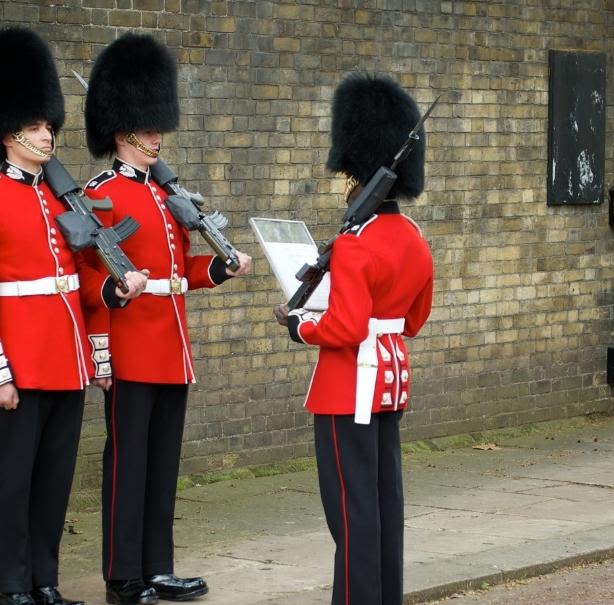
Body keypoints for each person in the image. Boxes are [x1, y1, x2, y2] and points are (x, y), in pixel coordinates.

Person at [78, 32, 253, 605]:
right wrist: (102, 353)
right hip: (131, 350)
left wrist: (223, 269)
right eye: (148, 128)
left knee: (161, 468)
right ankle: (122, 576)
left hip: (172, 350)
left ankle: (157, 567)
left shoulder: (164, 194)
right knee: (128, 471)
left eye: (158, 127)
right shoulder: (99, 196)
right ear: (122, 131)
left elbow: (181, 273)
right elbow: (93, 286)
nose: (157, 136)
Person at [273, 73, 435, 605]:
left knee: (350, 510)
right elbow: (413, 320)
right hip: (391, 378)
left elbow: (343, 328)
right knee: (385, 502)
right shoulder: (412, 237)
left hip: (349, 386)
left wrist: (300, 326)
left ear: (355, 179)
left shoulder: (355, 244)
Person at [0, 27, 90, 605]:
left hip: (66, 359)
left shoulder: (63, 199)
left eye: (49, 126)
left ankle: (45, 582)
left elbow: (79, 279)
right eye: (36, 127)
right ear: (10, 134)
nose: (47, 135)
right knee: (15, 482)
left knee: (55, 482)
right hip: (21, 363)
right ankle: (12, 586)